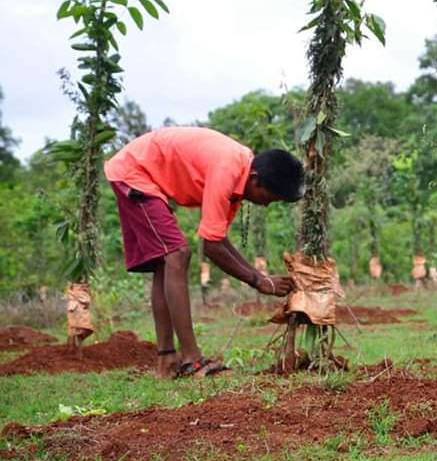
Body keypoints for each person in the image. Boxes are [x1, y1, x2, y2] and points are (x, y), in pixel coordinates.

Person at [104, 127, 301, 378]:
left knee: (166, 262)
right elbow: (211, 247)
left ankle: (166, 363)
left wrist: (259, 277)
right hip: (134, 171)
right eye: (270, 196)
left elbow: (219, 239)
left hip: (144, 173)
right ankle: (192, 361)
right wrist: (257, 281)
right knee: (177, 255)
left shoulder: (237, 181)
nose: (267, 203)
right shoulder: (227, 170)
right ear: (254, 178)